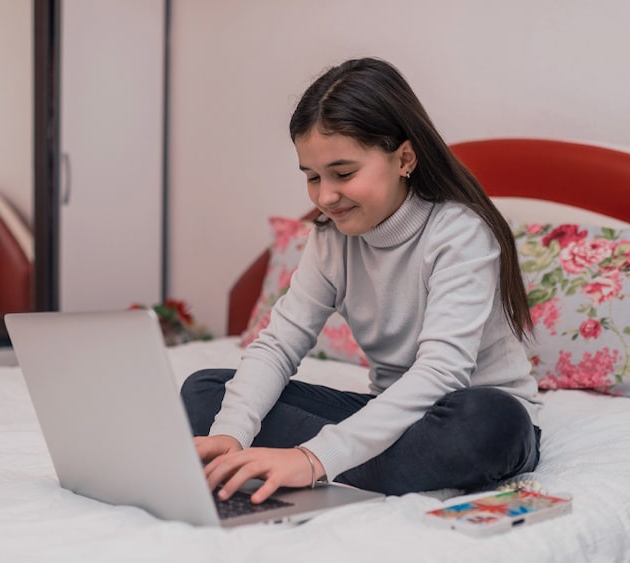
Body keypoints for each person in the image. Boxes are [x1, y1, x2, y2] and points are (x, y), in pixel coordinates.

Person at [181, 57, 540, 505]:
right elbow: (278, 345)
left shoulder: (459, 232)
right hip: (386, 419)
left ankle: (316, 463)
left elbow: (441, 372)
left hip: (462, 413)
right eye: (312, 177)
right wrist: (231, 436)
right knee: (203, 393)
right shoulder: (330, 239)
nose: (325, 196)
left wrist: (314, 457)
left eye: (343, 173)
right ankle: (356, 464)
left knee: (490, 424)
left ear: (404, 158)